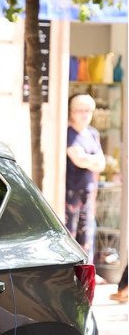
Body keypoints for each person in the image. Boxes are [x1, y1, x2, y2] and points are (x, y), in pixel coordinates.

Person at [64, 94, 105, 267]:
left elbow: (101, 163)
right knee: (70, 233)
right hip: (70, 192)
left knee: (87, 234)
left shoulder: (93, 134)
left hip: (88, 192)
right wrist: (91, 160)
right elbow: (78, 159)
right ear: (71, 112)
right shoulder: (68, 133)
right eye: (80, 110)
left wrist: (89, 160)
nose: (84, 114)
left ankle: (86, 275)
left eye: (88, 110)